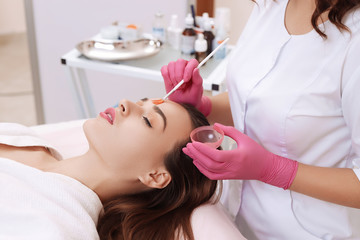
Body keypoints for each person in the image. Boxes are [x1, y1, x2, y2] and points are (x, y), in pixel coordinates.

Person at [160, 0, 360, 239]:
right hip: (232, 218)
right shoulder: (271, 6)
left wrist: (273, 170)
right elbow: (257, 100)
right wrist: (204, 106)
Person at [0, 98, 219, 240]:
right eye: (142, 101)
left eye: (147, 120)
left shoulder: (60, 227)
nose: (125, 103)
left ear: (155, 175)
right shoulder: (24, 137)